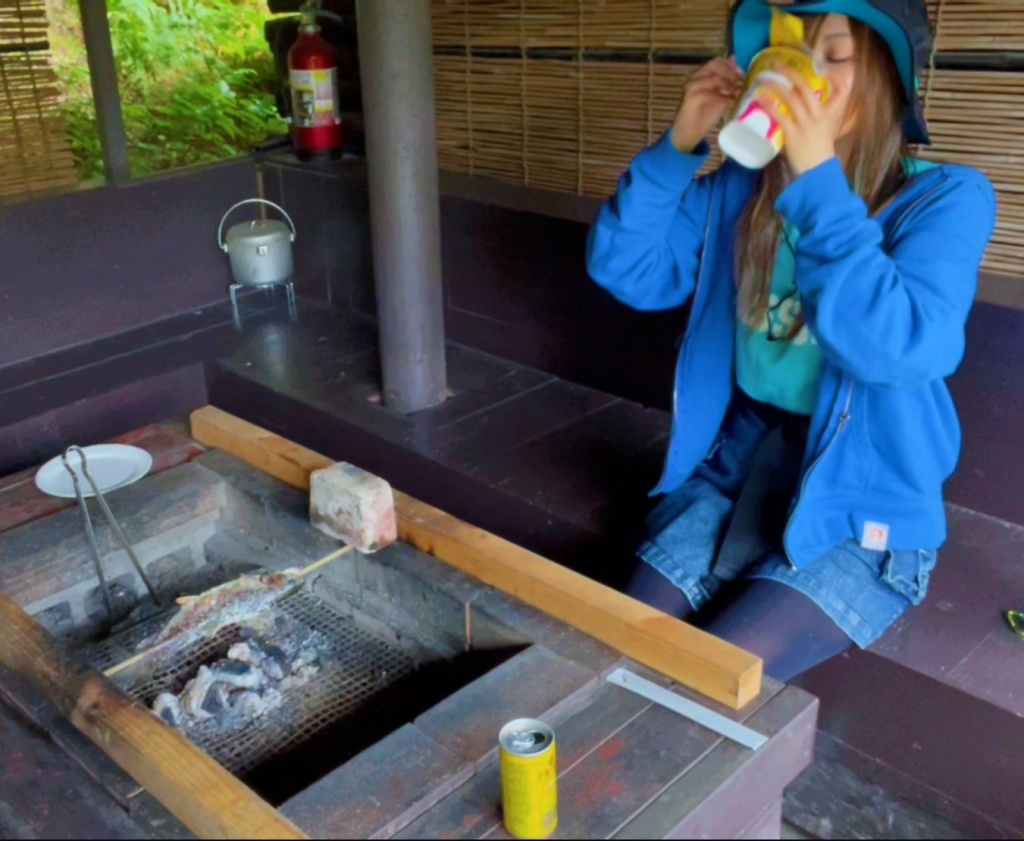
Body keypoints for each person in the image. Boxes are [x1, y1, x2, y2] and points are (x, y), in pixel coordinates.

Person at [586, 0, 997, 682]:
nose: (805, 74)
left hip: (863, 498)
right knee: (615, 657)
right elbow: (629, 270)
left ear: (889, 81)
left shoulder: (947, 199)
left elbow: (900, 350)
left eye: (833, 56)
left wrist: (816, 182)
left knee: (706, 679)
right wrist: (677, 147)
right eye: (792, 54)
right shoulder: (743, 190)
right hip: (737, 472)